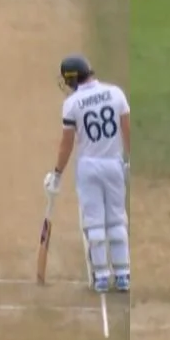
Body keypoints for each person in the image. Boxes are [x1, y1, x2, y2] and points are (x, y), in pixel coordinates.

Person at [44, 55, 132, 293]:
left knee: (94, 222)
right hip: (114, 163)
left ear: (72, 79)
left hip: (89, 167)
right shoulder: (116, 93)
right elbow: (127, 130)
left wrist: (57, 174)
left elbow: (67, 143)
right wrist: (130, 160)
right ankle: (123, 274)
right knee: (116, 218)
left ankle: (102, 275)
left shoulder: (73, 103)